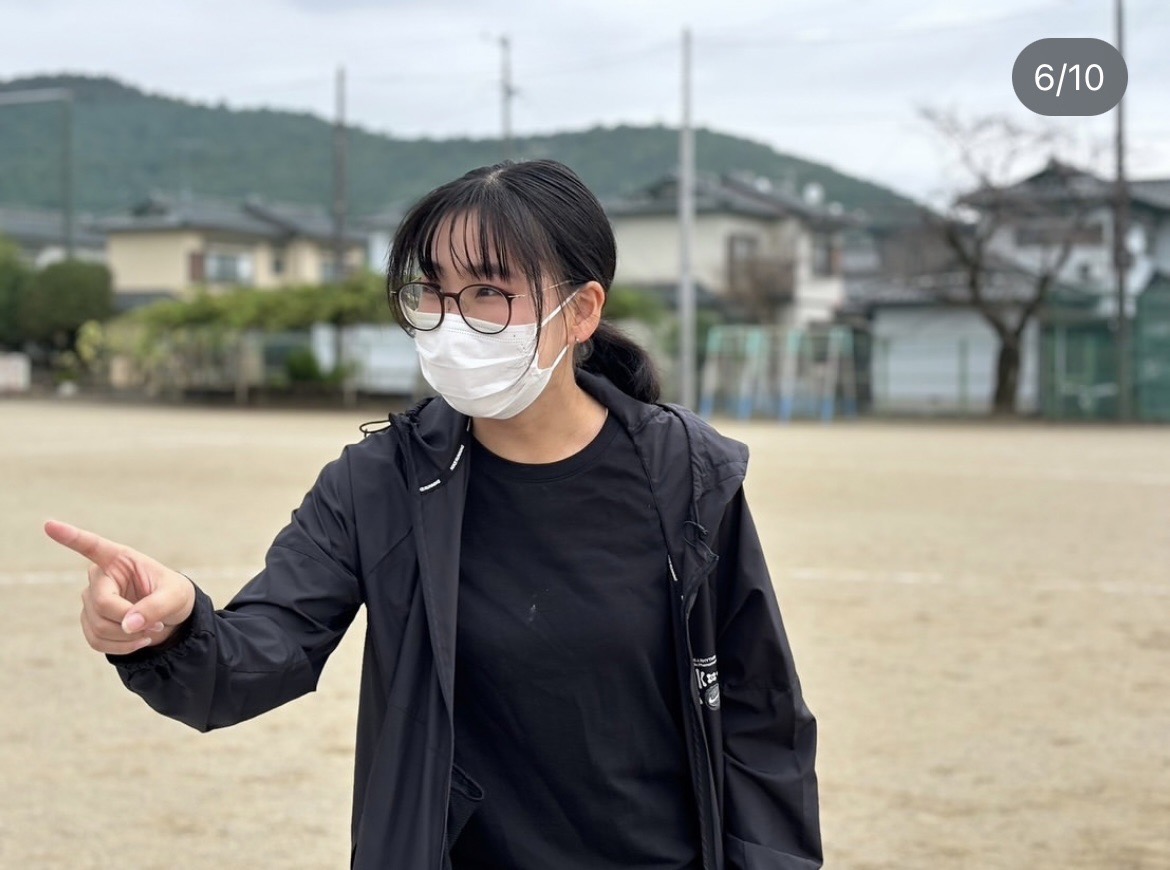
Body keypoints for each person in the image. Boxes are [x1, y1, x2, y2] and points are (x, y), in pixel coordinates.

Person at [45, 159, 821, 870]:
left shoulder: (685, 473)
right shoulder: (379, 481)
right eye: (431, 291)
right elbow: (257, 656)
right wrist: (175, 628)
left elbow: (760, 712)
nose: (451, 320)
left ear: (582, 310)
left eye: (489, 290)